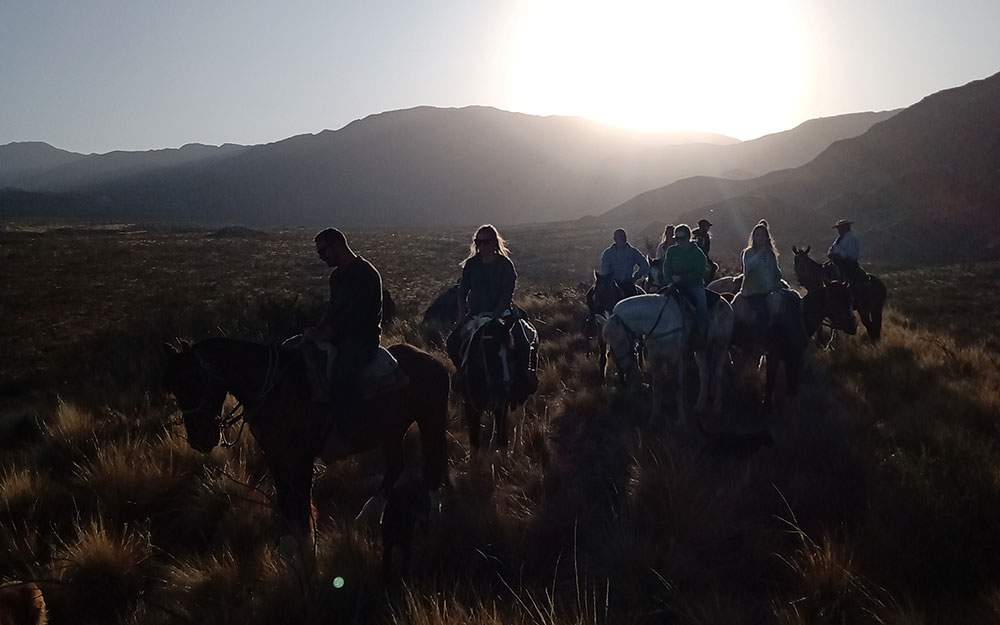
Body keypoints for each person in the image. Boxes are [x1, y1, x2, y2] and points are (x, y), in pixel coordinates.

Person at [305, 228, 383, 415]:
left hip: (362, 340)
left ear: (337, 245)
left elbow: (357, 316)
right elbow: (332, 310)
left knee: (341, 377)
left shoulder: (365, 273)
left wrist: (327, 333)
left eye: (323, 251)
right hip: (340, 336)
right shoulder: (337, 277)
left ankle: (350, 424)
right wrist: (316, 330)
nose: (321, 257)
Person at [446, 224, 517, 371]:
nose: (483, 246)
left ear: (494, 242)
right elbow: (462, 291)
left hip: (501, 315)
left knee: (521, 340)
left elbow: (506, 295)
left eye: (487, 241)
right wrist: (461, 315)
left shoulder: (505, 265)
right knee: (453, 342)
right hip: (475, 315)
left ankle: (523, 376)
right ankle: (462, 373)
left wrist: (495, 317)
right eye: (479, 242)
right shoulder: (471, 265)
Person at [661, 224, 709, 343]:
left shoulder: (698, 253)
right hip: (674, 284)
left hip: (694, 285)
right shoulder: (671, 251)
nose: (679, 241)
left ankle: (701, 334)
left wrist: (682, 278)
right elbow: (666, 268)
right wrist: (670, 282)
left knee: (702, 304)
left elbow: (700, 273)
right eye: (676, 239)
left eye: (682, 238)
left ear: (688, 237)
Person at [739, 220, 784, 344]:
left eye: (762, 235)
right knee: (763, 313)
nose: (759, 238)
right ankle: (759, 342)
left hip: (770, 288)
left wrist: (778, 278)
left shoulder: (770, 254)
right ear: (753, 237)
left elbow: (775, 269)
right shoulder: (748, 253)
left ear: (766, 238)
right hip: (753, 291)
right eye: (757, 235)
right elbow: (748, 267)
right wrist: (759, 255)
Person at [600, 228, 649, 297]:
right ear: (614, 239)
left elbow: (644, 265)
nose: (623, 238)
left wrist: (635, 277)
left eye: (624, 236)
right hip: (612, 286)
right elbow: (604, 271)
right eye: (620, 236)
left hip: (628, 284)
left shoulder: (633, 252)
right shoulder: (608, 253)